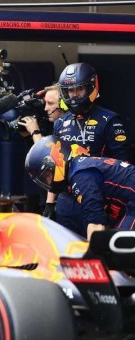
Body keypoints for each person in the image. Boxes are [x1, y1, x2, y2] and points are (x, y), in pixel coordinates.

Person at [48, 63, 130, 235]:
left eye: (79, 89)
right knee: (65, 249)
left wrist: (113, 204)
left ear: (91, 87)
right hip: (67, 199)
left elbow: (123, 164)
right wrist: (50, 203)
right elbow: (55, 164)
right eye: (70, 90)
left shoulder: (109, 120)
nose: (74, 94)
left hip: (98, 196)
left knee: (99, 249)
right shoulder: (60, 123)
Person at [25, 135, 135, 240]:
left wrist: (90, 257)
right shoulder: (77, 169)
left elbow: (96, 224)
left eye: (47, 176)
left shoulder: (80, 175)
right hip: (128, 204)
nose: (47, 181)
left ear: (56, 163)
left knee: (121, 245)